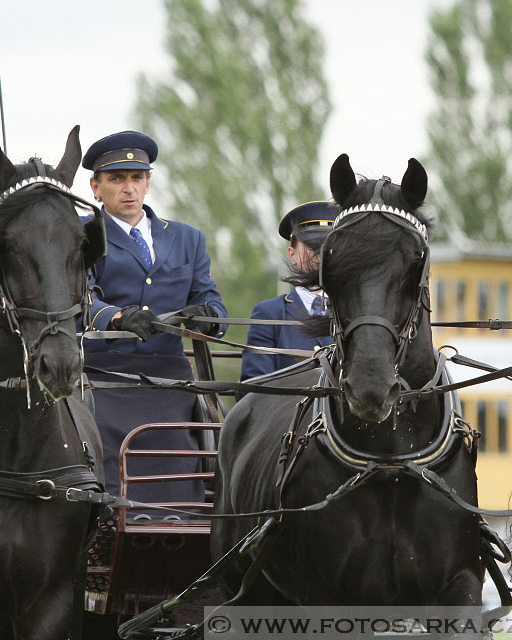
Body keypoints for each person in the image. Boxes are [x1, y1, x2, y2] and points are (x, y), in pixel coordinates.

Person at [80, 130, 228, 509]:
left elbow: (209, 299)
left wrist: (207, 317)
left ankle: (183, 528)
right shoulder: (81, 235)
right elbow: (81, 297)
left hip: (170, 379)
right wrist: (114, 318)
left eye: (136, 178)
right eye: (116, 179)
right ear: (96, 187)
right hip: (104, 378)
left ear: (148, 183)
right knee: (109, 455)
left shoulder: (187, 239)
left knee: (184, 455)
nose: (128, 188)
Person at [239, 201, 337, 381]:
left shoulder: (356, 312)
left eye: (327, 247)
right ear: (292, 254)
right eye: (312, 247)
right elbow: (254, 391)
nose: (320, 254)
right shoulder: (270, 314)